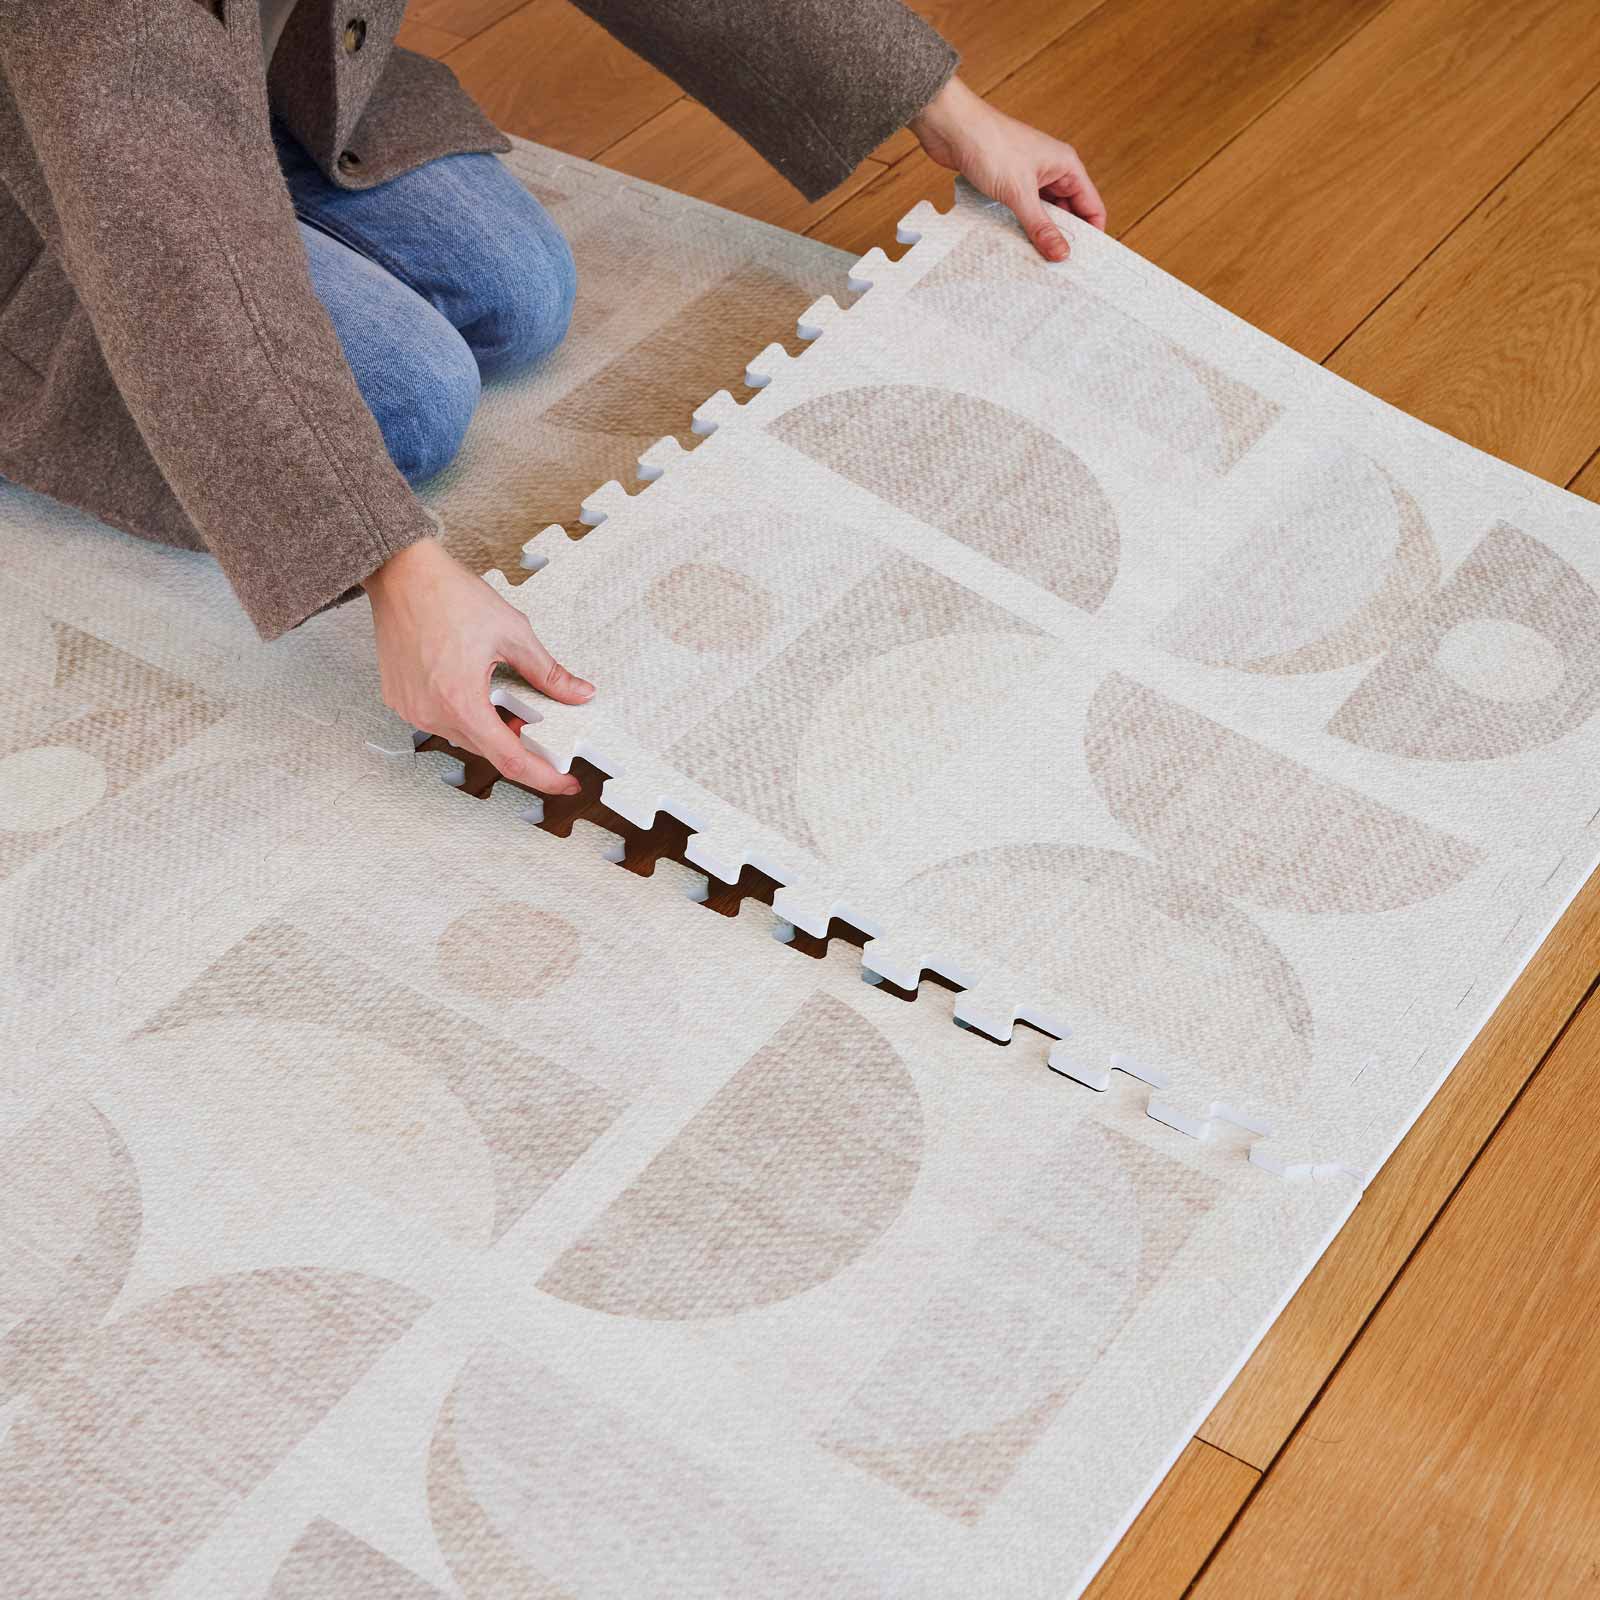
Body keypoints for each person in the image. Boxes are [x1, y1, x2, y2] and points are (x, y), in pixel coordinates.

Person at [0, 1, 1104, 795]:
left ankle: (241, 158)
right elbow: (181, 253)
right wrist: (397, 568)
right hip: (63, 134)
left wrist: (945, 108)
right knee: (412, 403)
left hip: (238, 71)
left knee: (518, 293)